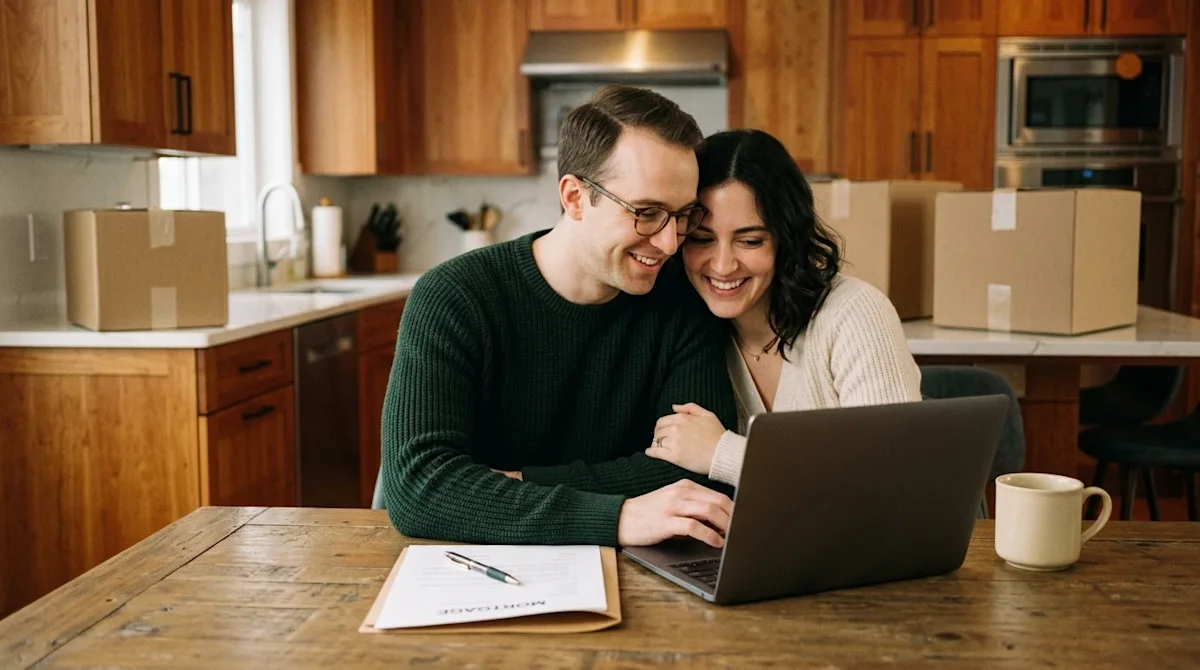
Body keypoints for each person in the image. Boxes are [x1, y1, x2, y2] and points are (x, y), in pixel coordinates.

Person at [381, 85, 738, 549]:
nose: (670, 243)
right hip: (470, 569)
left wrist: (514, 482)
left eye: (682, 215)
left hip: (646, 574)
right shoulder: (455, 296)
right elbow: (417, 488)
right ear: (573, 197)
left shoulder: (684, 300)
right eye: (646, 213)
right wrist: (618, 516)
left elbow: (695, 476)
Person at [646, 129, 923, 486]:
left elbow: (893, 474)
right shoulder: (685, 330)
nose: (723, 265)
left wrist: (723, 453)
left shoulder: (855, 313)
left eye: (749, 240)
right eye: (702, 240)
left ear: (786, 238)